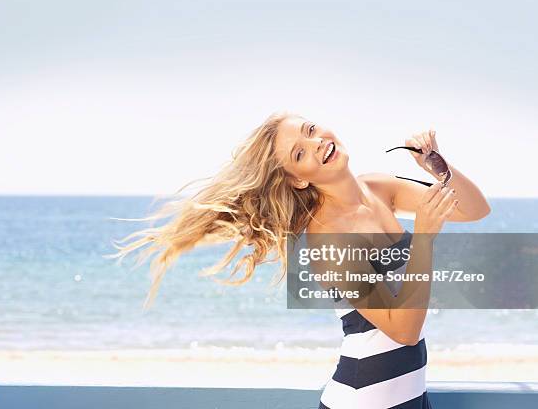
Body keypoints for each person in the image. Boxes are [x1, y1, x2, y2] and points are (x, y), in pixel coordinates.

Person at [111, 111, 490, 408]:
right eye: (299, 152)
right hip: (365, 400)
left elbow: (475, 209)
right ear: (297, 179)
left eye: (310, 129)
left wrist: (438, 167)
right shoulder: (327, 235)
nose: (316, 143)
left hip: (409, 396)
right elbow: (402, 330)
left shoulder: (379, 187)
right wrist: (423, 236)